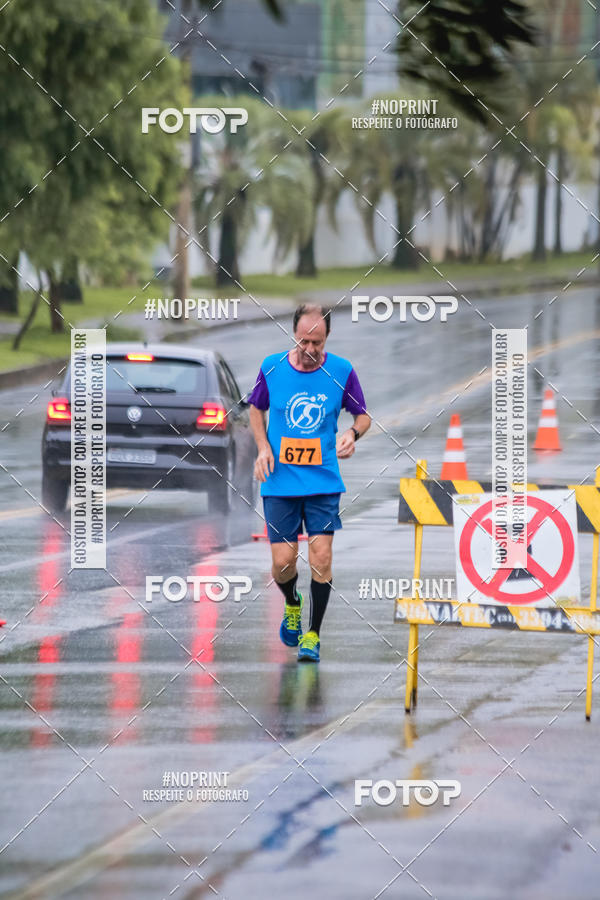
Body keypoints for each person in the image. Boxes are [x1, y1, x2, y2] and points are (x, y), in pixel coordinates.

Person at [248, 304, 371, 662]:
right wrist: (262, 448)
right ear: (294, 335)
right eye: (304, 340)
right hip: (280, 482)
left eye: (317, 342)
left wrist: (351, 433)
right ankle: (291, 602)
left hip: (322, 483)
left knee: (321, 558)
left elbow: (363, 417)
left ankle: (313, 634)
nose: (310, 349)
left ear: (327, 338)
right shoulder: (271, 367)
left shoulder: (341, 371)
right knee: (284, 562)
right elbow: (256, 408)